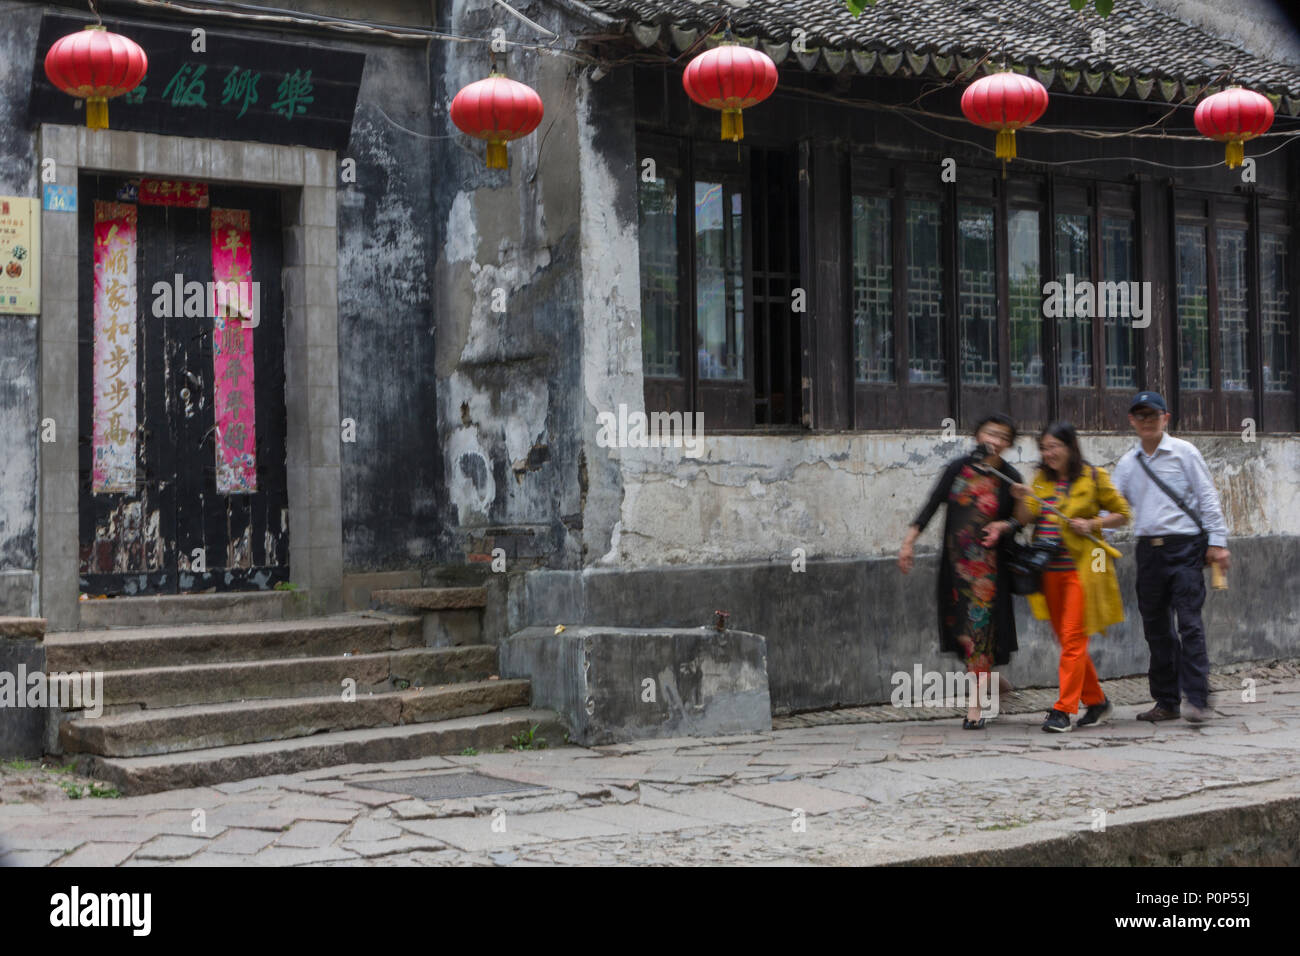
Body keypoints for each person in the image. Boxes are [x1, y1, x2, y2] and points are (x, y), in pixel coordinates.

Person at [1110, 391, 1230, 723]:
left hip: (1186, 547)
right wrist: (1095, 541)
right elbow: (1114, 507)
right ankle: (1166, 700)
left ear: (1166, 418)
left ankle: (1197, 697)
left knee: (1189, 624)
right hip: (1148, 551)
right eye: (1140, 416)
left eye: (1153, 415)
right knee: (1156, 627)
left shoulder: (1184, 452)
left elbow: (1207, 495)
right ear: (1132, 421)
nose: (1147, 421)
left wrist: (1217, 542)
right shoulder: (1127, 463)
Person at [899, 414, 1022, 729]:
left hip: (988, 573)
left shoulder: (1009, 477)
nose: (993, 440)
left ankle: (975, 709)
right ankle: (994, 684)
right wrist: (909, 543)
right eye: (988, 432)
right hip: (955, 571)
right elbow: (931, 505)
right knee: (963, 635)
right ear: (977, 435)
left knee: (978, 633)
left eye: (1001, 436)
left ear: (1008, 444)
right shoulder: (958, 470)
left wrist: (1007, 522)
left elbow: (1021, 520)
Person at [1011, 423, 1131, 732]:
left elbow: (1122, 513)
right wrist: (1022, 498)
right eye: (1044, 448)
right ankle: (1098, 702)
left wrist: (1092, 524)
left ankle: (1063, 710)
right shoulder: (1041, 480)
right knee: (1067, 640)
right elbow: (1026, 518)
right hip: (1048, 571)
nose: (1049, 453)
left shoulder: (1093, 477)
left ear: (1070, 447)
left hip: (1084, 570)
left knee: (1074, 639)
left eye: (1054, 447)